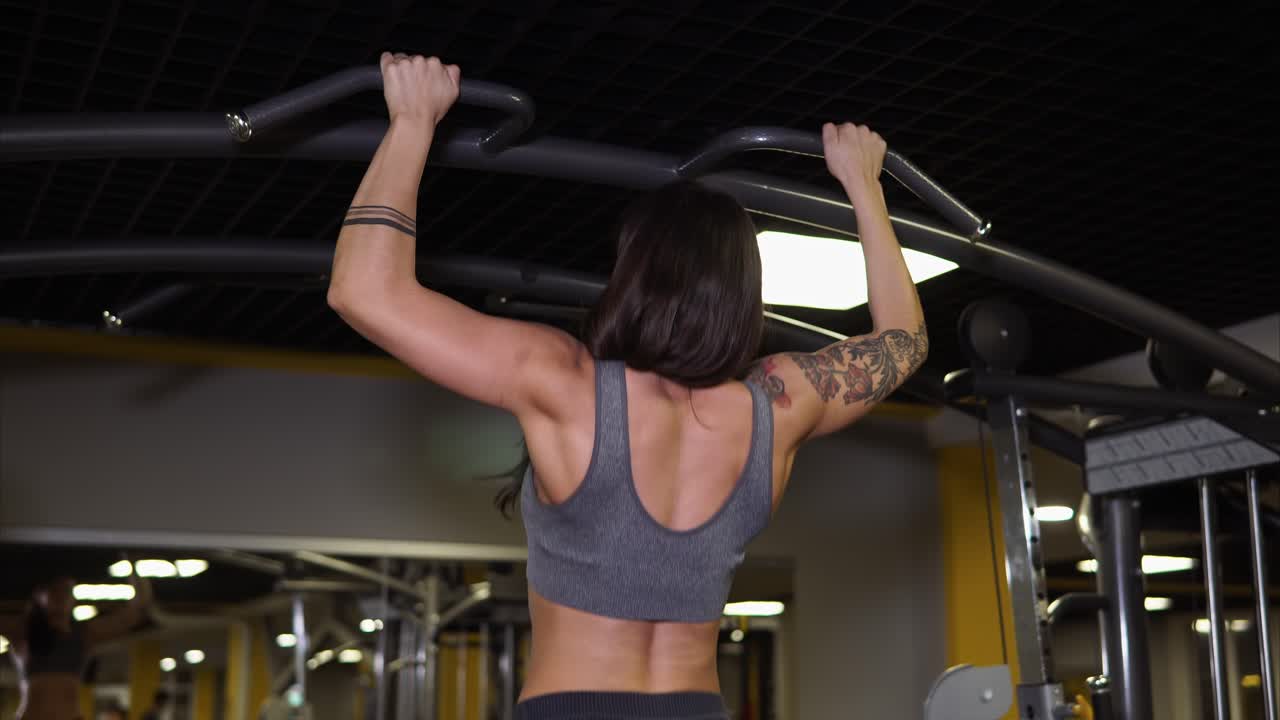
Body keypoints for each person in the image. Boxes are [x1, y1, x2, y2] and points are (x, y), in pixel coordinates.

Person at [328, 53, 927, 720]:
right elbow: (905, 340)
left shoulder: (565, 381)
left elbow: (363, 291)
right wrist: (863, 187)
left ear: (635, 276)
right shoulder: (779, 405)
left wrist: (413, 121)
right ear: (744, 298)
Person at [0, 574, 152, 720]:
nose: (61, 597)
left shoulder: (84, 632)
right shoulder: (23, 630)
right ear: (39, 595)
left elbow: (135, 613)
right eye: (55, 591)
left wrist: (134, 566)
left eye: (66, 592)